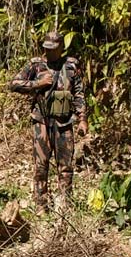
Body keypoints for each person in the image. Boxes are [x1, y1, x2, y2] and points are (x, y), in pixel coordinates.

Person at [9, 32, 88, 215]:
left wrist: (82, 119)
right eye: (46, 48)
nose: (49, 52)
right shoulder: (36, 65)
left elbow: (79, 93)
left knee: (66, 166)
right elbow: (14, 84)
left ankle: (66, 205)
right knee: (41, 165)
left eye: (53, 48)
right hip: (41, 121)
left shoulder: (71, 66)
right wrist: (38, 83)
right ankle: (40, 204)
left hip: (64, 121)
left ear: (61, 47)